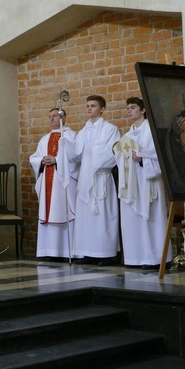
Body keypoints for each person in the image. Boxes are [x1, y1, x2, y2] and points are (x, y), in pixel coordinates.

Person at [60, 95, 120, 266]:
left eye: (93, 106)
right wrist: (66, 144)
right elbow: (76, 155)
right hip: (86, 179)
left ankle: (105, 254)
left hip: (101, 178)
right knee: (86, 217)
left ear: (102, 109)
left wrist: (94, 150)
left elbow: (114, 152)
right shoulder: (83, 131)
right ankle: (88, 252)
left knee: (103, 215)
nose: (89, 109)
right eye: (87, 105)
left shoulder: (110, 129)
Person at [114, 97, 171, 269]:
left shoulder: (152, 132)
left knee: (152, 221)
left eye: (133, 107)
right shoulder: (126, 136)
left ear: (143, 110)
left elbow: (161, 156)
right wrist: (123, 155)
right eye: (128, 108)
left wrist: (141, 158)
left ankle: (155, 259)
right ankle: (135, 258)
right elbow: (119, 157)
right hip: (131, 184)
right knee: (133, 221)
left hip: (148, 182)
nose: (129, 111)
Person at [29, 108, 79, 260]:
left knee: (63, 211)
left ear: (64, 119)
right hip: (47, 181)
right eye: (49, 117)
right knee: (49, 212)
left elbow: (76, 158)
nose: (51, 119)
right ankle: (49, 251)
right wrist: (41, 161)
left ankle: (66, 252)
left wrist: (56, 160)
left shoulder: (71, 136)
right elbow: (35, 157)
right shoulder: (44, 139)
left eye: (55, 116)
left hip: (63, 182)